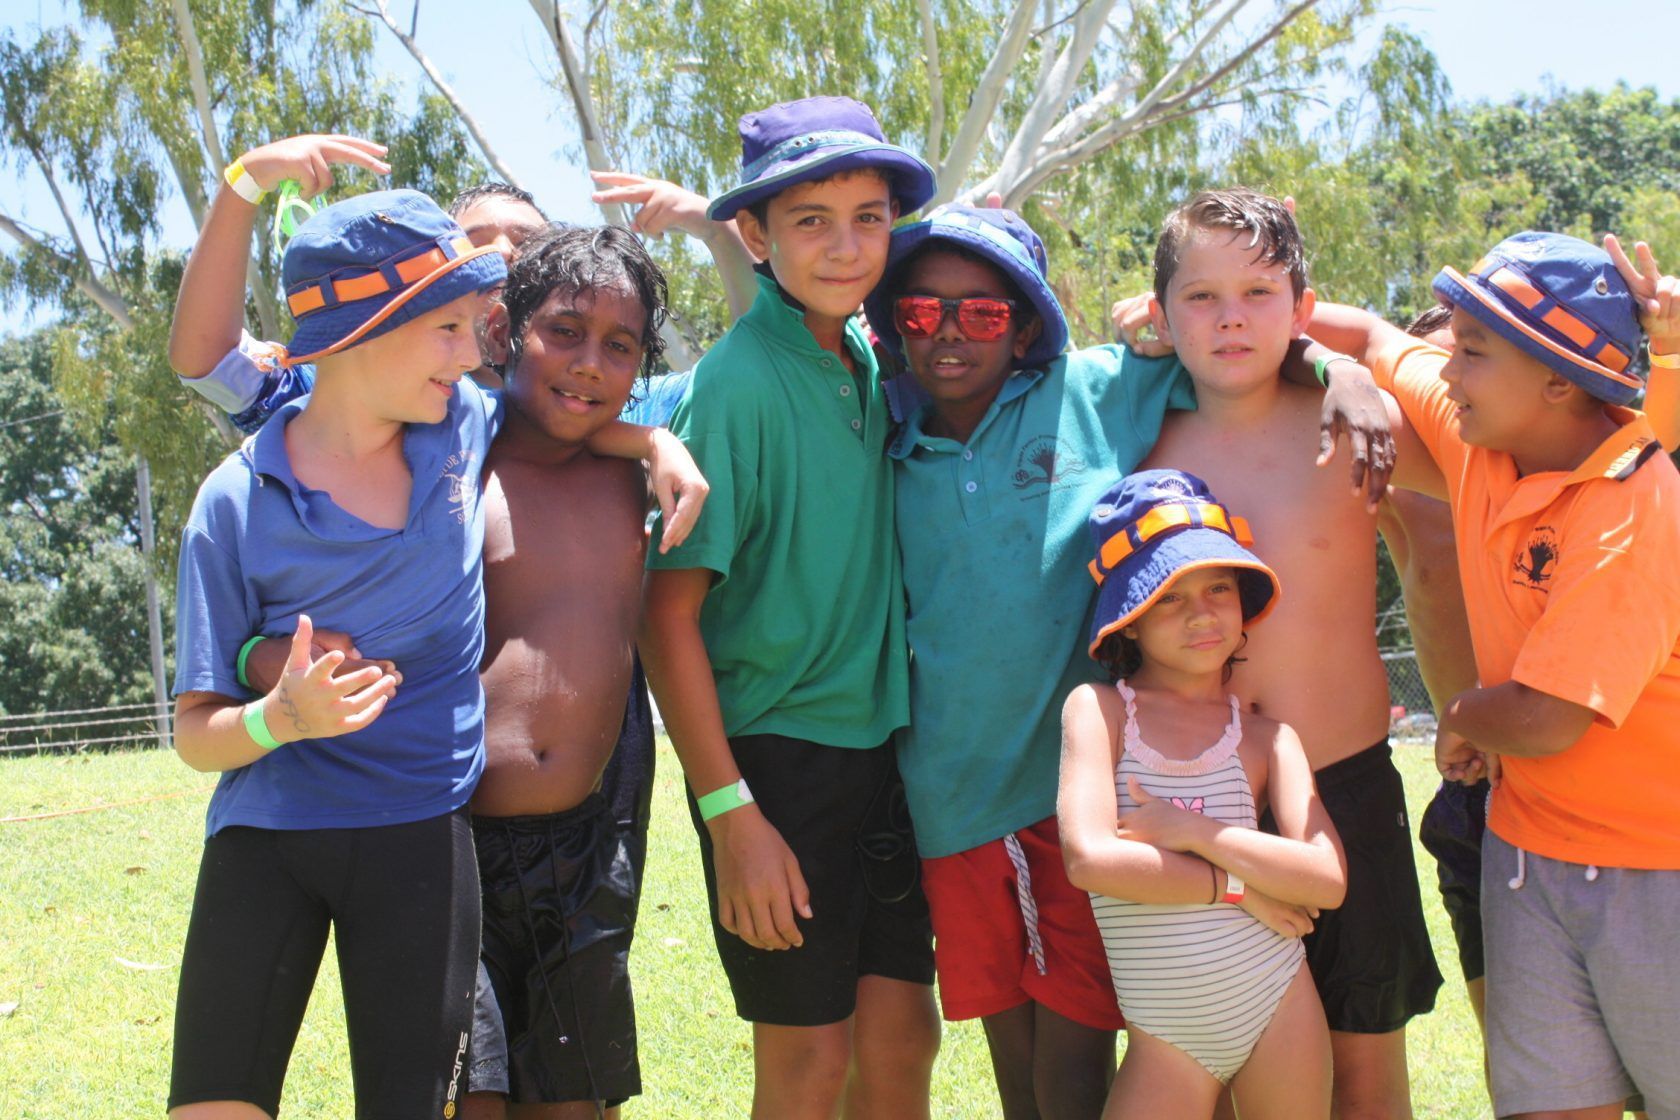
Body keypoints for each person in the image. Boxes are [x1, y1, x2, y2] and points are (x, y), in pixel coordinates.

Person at [1301, 231, 1680, 1120]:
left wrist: (1464, 715)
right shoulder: (1482, 437)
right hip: (1528, 856)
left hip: (1656, 871)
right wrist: (1340, 369)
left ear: (1558, 381)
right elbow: (1367, 335)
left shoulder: (1635, 501)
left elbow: (1548, 717)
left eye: (1472, 351)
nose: (1448, 368)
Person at [167, 187, 510, 1120]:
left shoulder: (465, 425)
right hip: (269, 833)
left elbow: (591, 410)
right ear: (359, 333)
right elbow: (196, 737)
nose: (472, 353)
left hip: (418, 835)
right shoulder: (233, 504)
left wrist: (655, 446)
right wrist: (281, 715)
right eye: (446, 328)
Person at [638, 95, 942, 1120]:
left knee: (902, 1042)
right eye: (811, 220)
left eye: (868, 214)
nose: (847, 243)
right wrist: (733, 817)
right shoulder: (735, 385)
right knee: (808, 1068)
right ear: (755, 237)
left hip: (882, 754)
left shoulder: (862, 354)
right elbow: (663, 618)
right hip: (776, 763)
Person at [1127, 188, 1443, 1120]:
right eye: (1201, 297)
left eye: (1260, 294)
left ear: (1303, 308)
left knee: (1365, 1062)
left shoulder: (1357, 422)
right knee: (1216, 1054)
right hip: (1197, 793)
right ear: (1160, 315)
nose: (1230, 317)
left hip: (1343, 781)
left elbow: (1505, 471)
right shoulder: (1136, 432)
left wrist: (1343, 364)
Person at [1059, 468, 1346, 1120]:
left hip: (1277, 998)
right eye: (1168, 595)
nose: (1201, 613)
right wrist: (1237, 888)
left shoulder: (1268, 738)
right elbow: (1091, 861)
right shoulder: (1099, 712)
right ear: (1128, 620)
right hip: (1167, 1035)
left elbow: (1326, 879)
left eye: (1218, 587)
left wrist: (1195, 832)